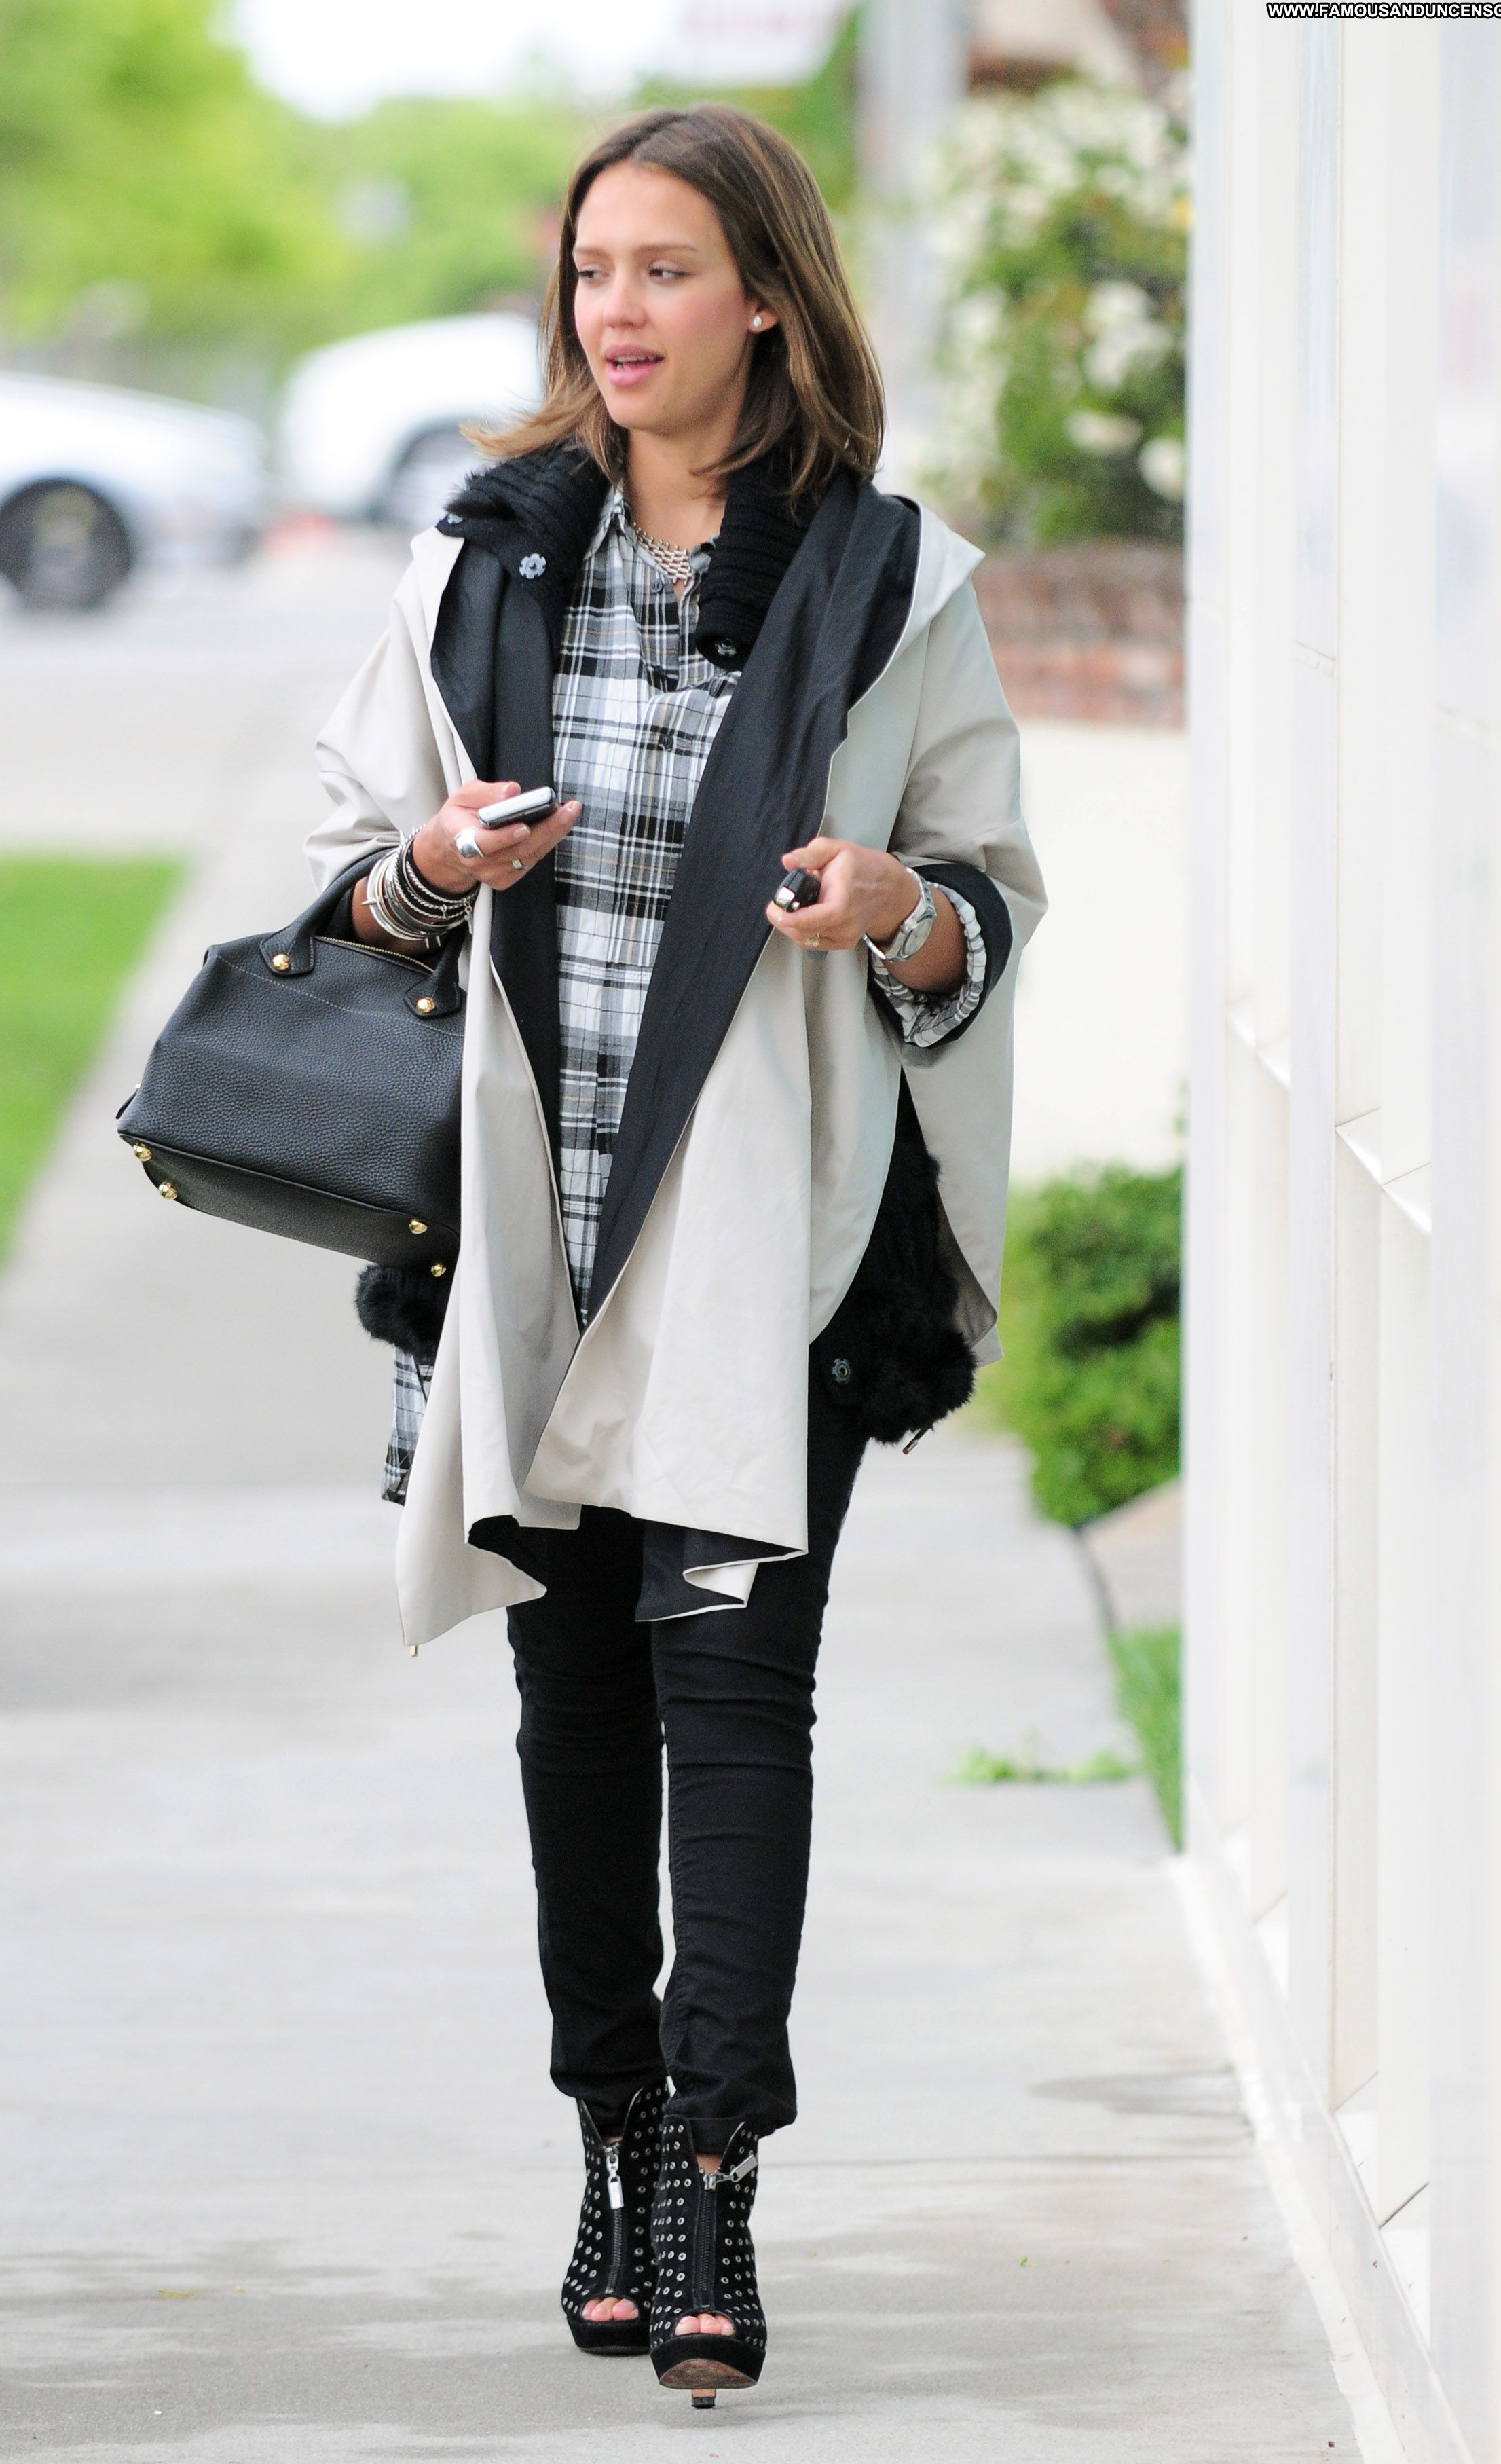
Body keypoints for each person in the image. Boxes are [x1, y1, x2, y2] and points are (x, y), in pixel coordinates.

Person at [303, 102, 1045, 2410]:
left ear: (768, 302)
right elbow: (352, 889)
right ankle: (613, 2138)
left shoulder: (894, 585)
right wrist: (431, 866)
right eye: (591, 270)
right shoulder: (487, 562)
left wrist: (893, 910)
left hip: (764, 1243)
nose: (615, 312)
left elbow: (985, 903)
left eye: (664, 269)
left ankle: (717, 2171)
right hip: (528, 1242)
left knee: (737, 1705)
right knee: (575, 1713)